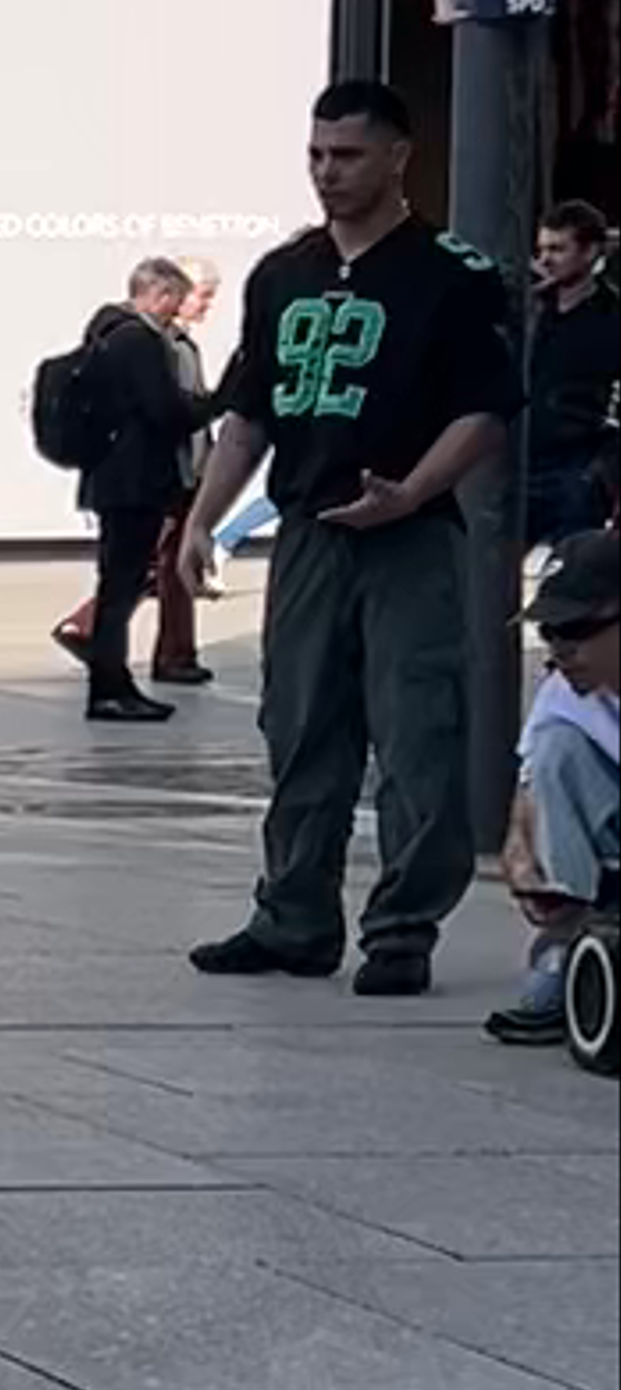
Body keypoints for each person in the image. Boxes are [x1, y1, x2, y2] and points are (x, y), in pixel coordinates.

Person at [177, 73, 516, 996]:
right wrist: (203, 518)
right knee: (299, 726)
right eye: (317, 155)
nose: (328, 173)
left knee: (417, 734)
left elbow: (486, 411)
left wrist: (411, 492)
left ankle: (402, 929)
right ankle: (292, 917)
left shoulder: (453, 274)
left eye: (348, 155)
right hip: (312, 532)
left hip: (409, 538)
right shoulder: (282, 275)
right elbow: (250, 413)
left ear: (399, 155)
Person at [45, 272, 203, 729]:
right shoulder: (139, 341)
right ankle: (110, 688)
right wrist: (210, 405)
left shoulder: (107, 336)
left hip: (110, 479)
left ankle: (112, 685)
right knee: (123, 585)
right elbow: (164, 412)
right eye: (177, 299)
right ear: (160, 295)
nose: (177, 310)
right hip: (136, 482)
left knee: (120, 582)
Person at [488, 524, 620, 1052]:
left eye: (577, 629)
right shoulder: (565, 690)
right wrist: (522, 852)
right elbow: (532, 783)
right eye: (549, 635)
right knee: (557, 750)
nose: (561, 651)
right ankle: (571, 938)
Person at [519, 202, 621, 550]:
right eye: (542, 249)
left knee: (572, 576)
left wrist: (603, 469)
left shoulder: (611, 318)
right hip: (518, 457)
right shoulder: (527, 310)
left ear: (590, 252)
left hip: (576, 465)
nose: (545, 259)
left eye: (558, 249)